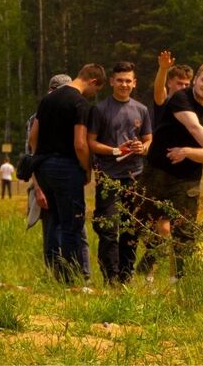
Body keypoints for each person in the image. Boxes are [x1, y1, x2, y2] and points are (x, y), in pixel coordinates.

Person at [138, 62, 203, 280]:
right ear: (196, 79)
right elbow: (194, 127)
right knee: (145, 222)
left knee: (185, 231)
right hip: (157, 171)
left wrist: (189, 152)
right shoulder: (181, 98)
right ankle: (146, 274)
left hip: (187, 180)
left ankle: (178, 280)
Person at [28, 63, 106, 282]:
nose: (94, 94)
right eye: (96, 90)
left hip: (43, 166)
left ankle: (55, 274)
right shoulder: (80, 103)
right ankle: (71, 278)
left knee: (52, 223)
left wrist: (39, 159)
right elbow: (80, 144)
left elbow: (33, 137)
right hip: (67, 167)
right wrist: (86, 168)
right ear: (92, 81)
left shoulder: (47, 100)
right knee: (72, 224)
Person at [88, 61, 153, 284]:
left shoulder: (142, 110)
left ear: (134, 83)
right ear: (111, 82)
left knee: (131, 228)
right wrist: (116, 150)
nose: (124, 84)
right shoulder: (100, 109)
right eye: (120, 80)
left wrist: (142, 148)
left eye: (128, 80)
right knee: (108, 227)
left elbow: (148, 139)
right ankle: (110, 277)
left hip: (134, 176)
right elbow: (91, 143)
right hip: (108, 176)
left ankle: (126, 276)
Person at [152, 50, 193, 125]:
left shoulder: (192, 106)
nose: (183, 87)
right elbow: (159, 89)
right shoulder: (164, 101)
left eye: (186, 85)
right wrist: (163, 69)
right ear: (169, 83)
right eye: (179, 84)